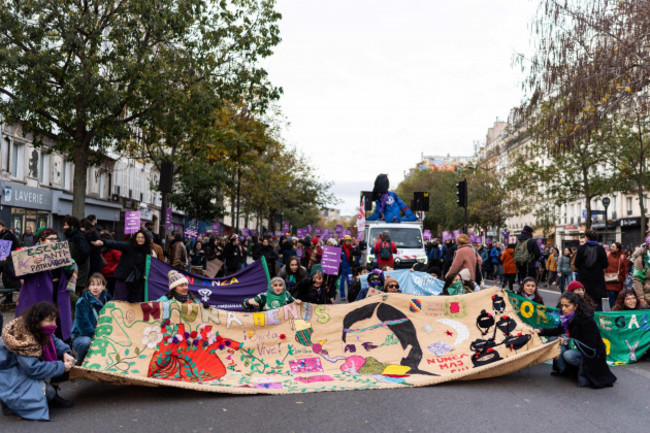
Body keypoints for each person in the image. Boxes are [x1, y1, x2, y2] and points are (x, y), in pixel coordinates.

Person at [0, 302, 75, 420]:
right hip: (9, 373)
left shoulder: (36, 327)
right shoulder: (23, 339)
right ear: (38, 321)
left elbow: (53, 340)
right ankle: (7, 401)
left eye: (55, 320)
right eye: (50, 321)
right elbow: (34, 369)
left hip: (23, 367)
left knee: (64, 359)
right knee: (48, 392)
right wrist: (61, 367)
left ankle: (53, 394)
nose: (54, 325)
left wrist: (65, 352)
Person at [535, 292, 617, 388]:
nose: (563, 309)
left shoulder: (586, 320)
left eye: (567, 306)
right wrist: (541, 331)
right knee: (553, 340)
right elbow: (558, 330)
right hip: (577, 347)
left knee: (568, 355)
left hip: (591, 354)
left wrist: (567, 341)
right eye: (562, 306)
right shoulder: (567, 318)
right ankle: (565, 371)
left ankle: (582, 371)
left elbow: (590, 344)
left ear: (575, 306)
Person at [14, 229, 77, 342]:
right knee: (40, 325)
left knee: (59, 325)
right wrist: (31, 261)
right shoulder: (30, 253)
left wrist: (70, 266)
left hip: (59, 294)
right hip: (38, 295)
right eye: (51, 239)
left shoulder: (59, 253)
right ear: (41, 241)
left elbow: (68, 275)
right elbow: (17, 273)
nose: (54, 242)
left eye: (56, 239)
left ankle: (61, 352)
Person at [94, 230, 153, 303]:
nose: (140, 239)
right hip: (123, 279)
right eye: (138, 237)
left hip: (137, 282)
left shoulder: (147, 251)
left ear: (145, 239)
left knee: (135, 304)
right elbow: (116, 244)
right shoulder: (129, 246)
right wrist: (103, 242)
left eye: (142, 237)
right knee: (121, 302)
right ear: (135, 238)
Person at [71, 273, 112, 363]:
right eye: (92, 284)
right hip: (82, 336)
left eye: (98, 284)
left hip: (101, 335)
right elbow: (83, 326)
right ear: (88, 287)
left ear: (104, 287)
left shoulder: (109, 301)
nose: (95, 287)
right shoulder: (81, 302)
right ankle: (81, 362)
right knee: (86, 342)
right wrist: (98, 337)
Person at [574, 230, 609, 311]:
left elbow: (576, 264)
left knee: (582, 302)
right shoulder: (600, 249)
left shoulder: (581, 249)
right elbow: (605, 264)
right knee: (597, 304)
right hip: (597, 280)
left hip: (583, 279)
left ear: (587, 238)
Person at [64, 215, 90, 295]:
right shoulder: (74, 236)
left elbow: (84, 252)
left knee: (73, 293)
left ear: (71, 226)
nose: (64, 227)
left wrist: (74, 262)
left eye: (65, 225)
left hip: (79, 271)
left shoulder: (78, 237)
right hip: (76, 269)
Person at [605, 241, 629, 309]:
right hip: (608, 282)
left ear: (618, 249)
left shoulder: (622, 257)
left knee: (618, 301)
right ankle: (612, 313)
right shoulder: (607, 255)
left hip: (619, 283)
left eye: (613, 246)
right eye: (611, 246)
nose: (611, 248)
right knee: (611, 300)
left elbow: (626, 269)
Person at [632, 235, 650, 309]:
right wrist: (641, 297)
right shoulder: (641, 260)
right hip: (647, 298)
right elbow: (637, 279)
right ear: (648, 246)